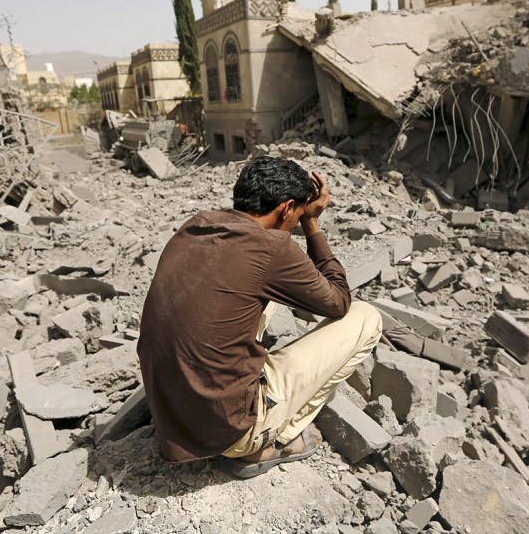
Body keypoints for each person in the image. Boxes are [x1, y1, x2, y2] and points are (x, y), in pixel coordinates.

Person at [137, 156, 382, 478]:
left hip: (170, 414)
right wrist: (312, 225)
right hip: (229, 431)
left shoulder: (196, 225)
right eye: (296, 214)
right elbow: (338, 302)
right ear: (287, 207)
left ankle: (242, 413)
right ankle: (268, 442)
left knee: (262, 298)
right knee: (365, 316)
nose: (294, 222)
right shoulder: (272, 247)